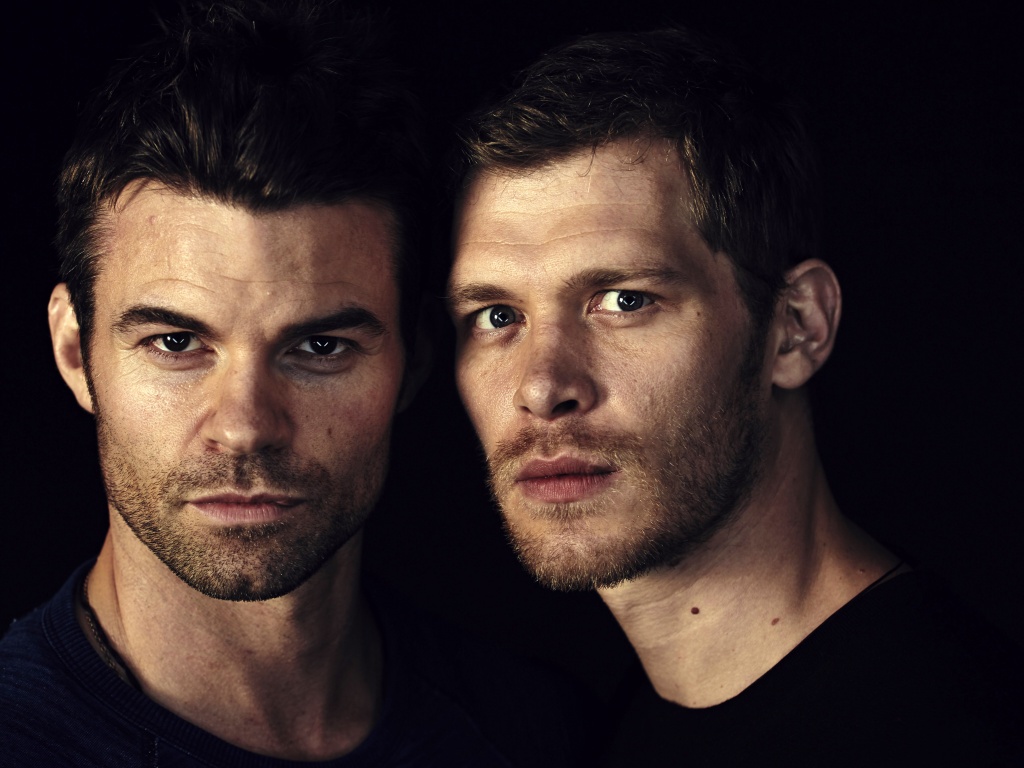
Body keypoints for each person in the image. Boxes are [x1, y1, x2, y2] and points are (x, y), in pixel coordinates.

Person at [0, 2, 590, 765]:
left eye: (319, 347)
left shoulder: (533, 731)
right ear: (75, 352)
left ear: (413, 360)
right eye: (176, 343)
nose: (245, 425)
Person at [448, 27, 1024, 766]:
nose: (541, 387)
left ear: (795, 328)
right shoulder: (598, 728)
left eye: (625, 300)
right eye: (497, 316)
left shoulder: (954, 731)